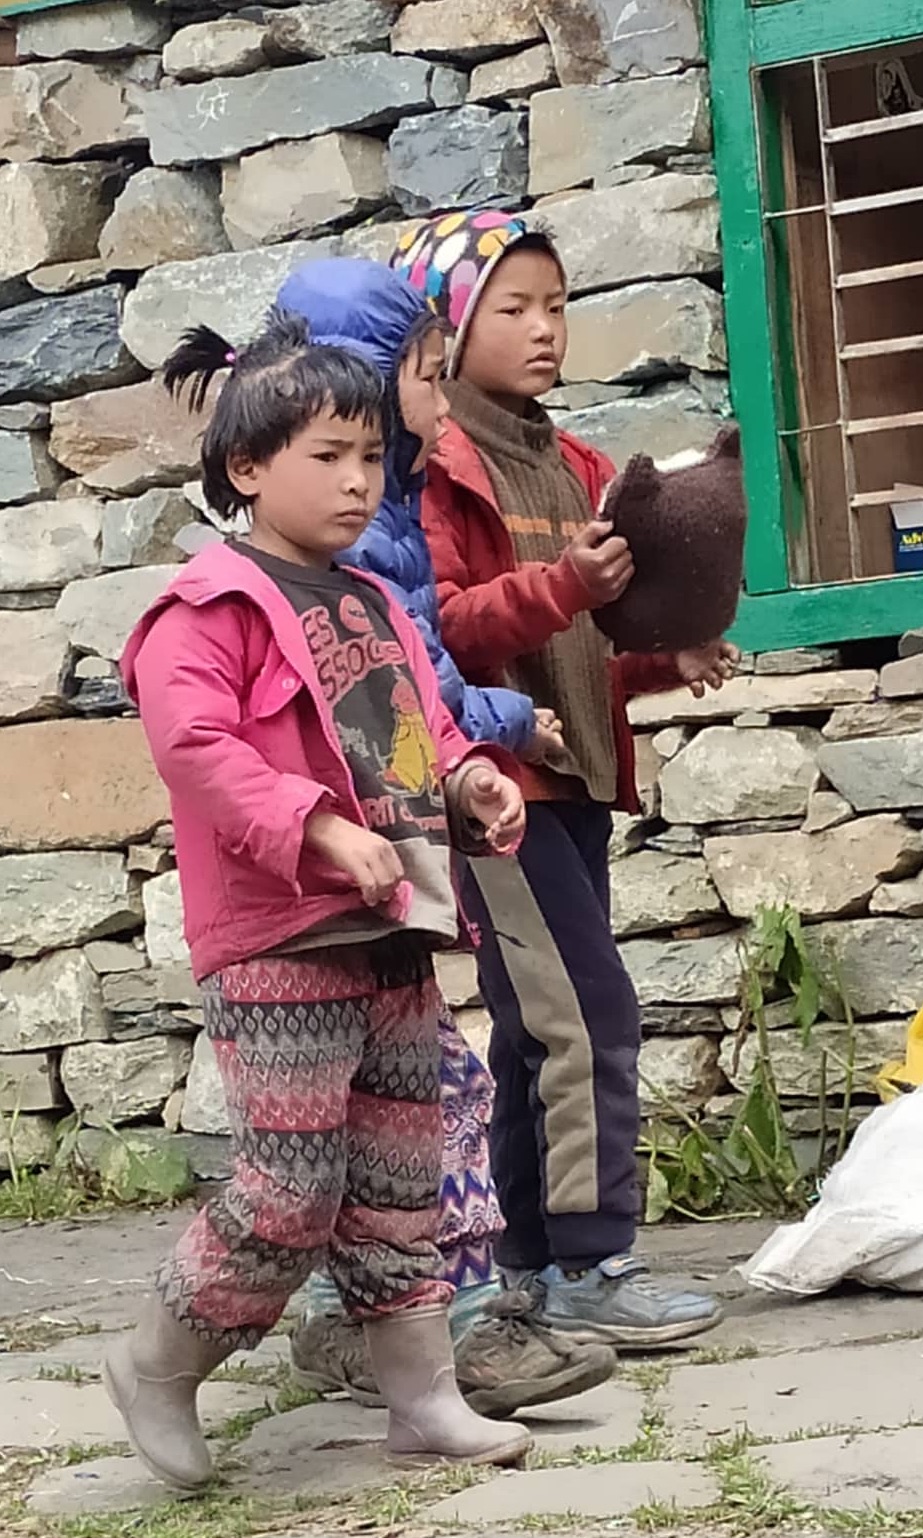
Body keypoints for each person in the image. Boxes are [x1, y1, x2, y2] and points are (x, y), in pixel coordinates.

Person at [107, 309, 535, 1493]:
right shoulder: (207, 608)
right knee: (292, 1182)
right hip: (279, 935)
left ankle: (423, 1399)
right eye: (326, 458)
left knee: (400, 1175)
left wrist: (471, 779)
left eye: (369, 459)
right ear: (245, 468)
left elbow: (425, 727)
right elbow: (196, 747)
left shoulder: (375, 603)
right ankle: (161, 1356)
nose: (358, 483)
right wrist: (315, 826)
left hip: (392, 925)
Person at [272, 256, 616, 1415]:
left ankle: (404, 1316)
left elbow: (413, 683)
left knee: (422, 1090)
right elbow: (387, 701)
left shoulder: (396, 517)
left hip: (407, 845)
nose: (431, 408)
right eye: (423, 377)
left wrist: (473, 758)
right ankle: (413, 1311)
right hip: (332, 876)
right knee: (360, 1121)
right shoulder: (315, 561)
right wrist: (503, 724)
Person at [393, 210, 739, 1347]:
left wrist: (658, 656)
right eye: (514, 308)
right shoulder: (436, 472)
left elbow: (583, 647)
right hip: (497, 792)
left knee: (538, 1025)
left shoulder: (581, 463)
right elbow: (442, 635)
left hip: (575, 785)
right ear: (447, 325)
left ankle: (525, 1260)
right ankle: (595, 1265)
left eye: (556, 305)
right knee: (588, 1013)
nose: (545, 330)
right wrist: (563, 589)